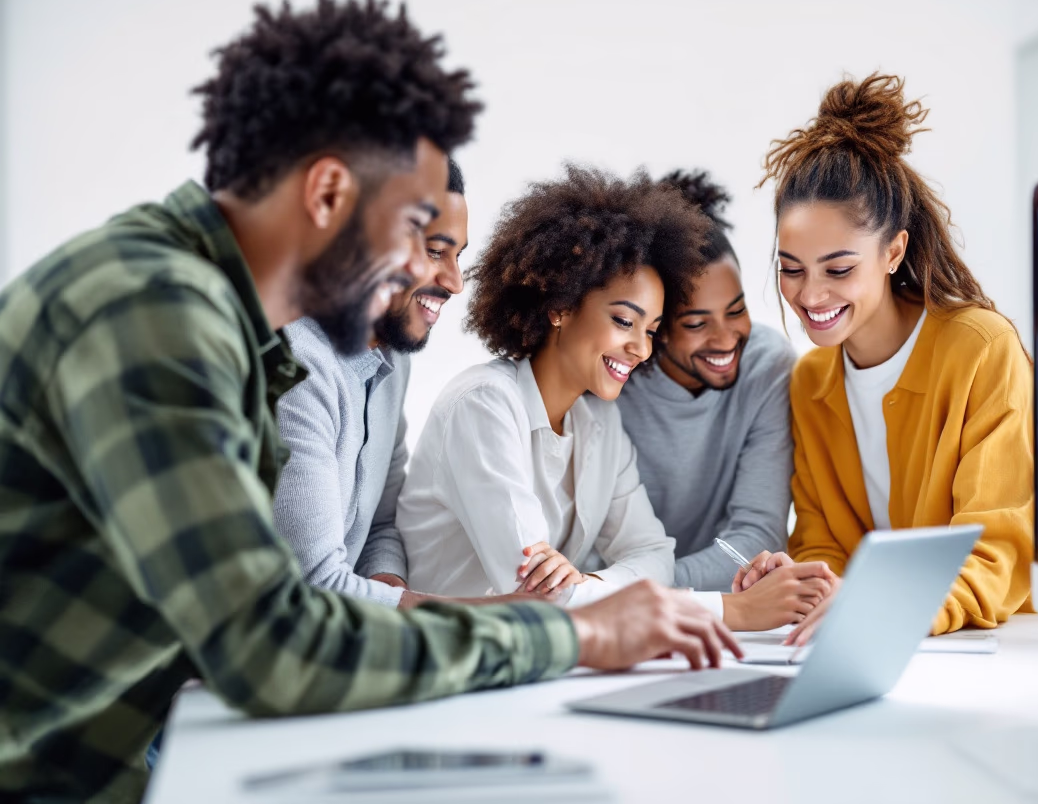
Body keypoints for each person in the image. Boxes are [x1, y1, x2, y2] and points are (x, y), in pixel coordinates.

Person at [0, 0, 736, 804]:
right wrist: (567, 633)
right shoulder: (157, 315)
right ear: (327, 195)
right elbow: (277, 644)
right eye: (418, 227)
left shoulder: (212, 314)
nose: (432, 271)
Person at [398, 167, 830, 631]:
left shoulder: (597, 421)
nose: (642, 349)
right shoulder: (483, 406)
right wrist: (731, 610)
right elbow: (536, 597)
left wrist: (591, 582)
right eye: (625, 321)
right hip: (445, 661)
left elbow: (654, 555)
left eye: (651, 330)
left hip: (538, 664)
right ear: (561, 305)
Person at [734, 73, 1035, 645]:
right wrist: (808, 583)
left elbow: (998, 550)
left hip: (988, 646)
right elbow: (826, 543)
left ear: (893, 250)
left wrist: (893, 608)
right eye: (791, 268)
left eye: (839, 269)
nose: (809, 295)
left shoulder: (980, 350)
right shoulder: (811, 380)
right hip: (875, 643)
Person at [271, 158, 469, 609]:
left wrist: (387, 587)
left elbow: (381, 523)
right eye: (436, 252)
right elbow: (313, 586)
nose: (456, 282)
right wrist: (520, 618)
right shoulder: (296, 364)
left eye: (460, 257)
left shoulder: (392, 360)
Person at [617, 170, 796, 596]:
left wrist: (644, 589)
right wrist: (610, 590)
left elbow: (757, 536)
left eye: (736, 311)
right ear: (656, 327)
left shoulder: (766, 368)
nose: (725, 338)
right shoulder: (612, 382)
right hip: (620, 612)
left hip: (695, 606)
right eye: (697, 323)